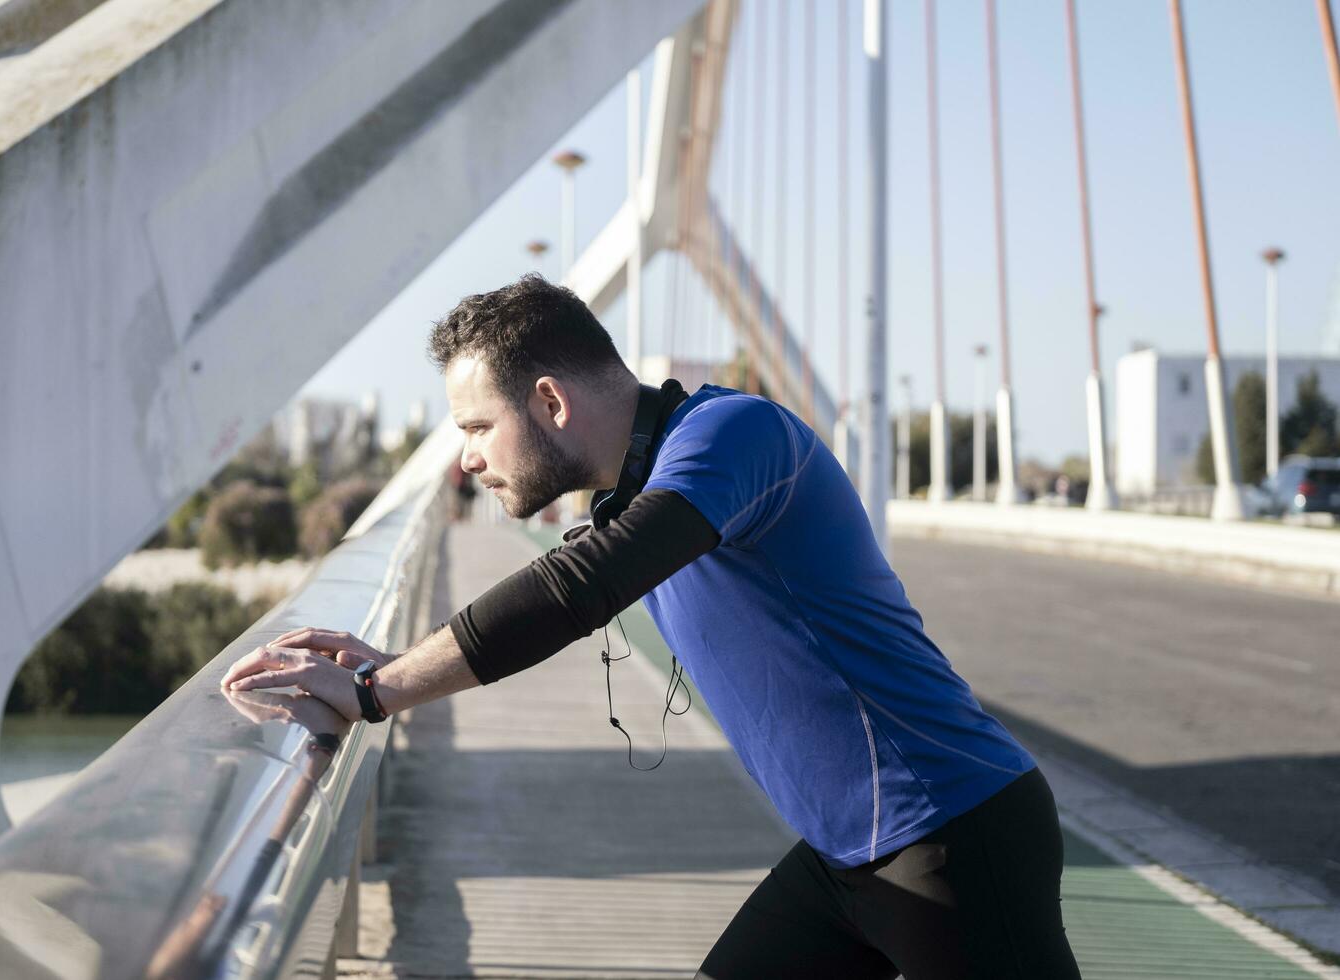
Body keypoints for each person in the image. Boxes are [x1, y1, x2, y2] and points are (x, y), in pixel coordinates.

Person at [221, 275, 1082, 979]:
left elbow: (580, 585)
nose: (466, 459)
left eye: (478, 427)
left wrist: (376, 691)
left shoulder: (730, 436)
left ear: (550, 400)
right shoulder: (632, 490)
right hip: (845, 856)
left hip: (953, 838)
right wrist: (402, 658)